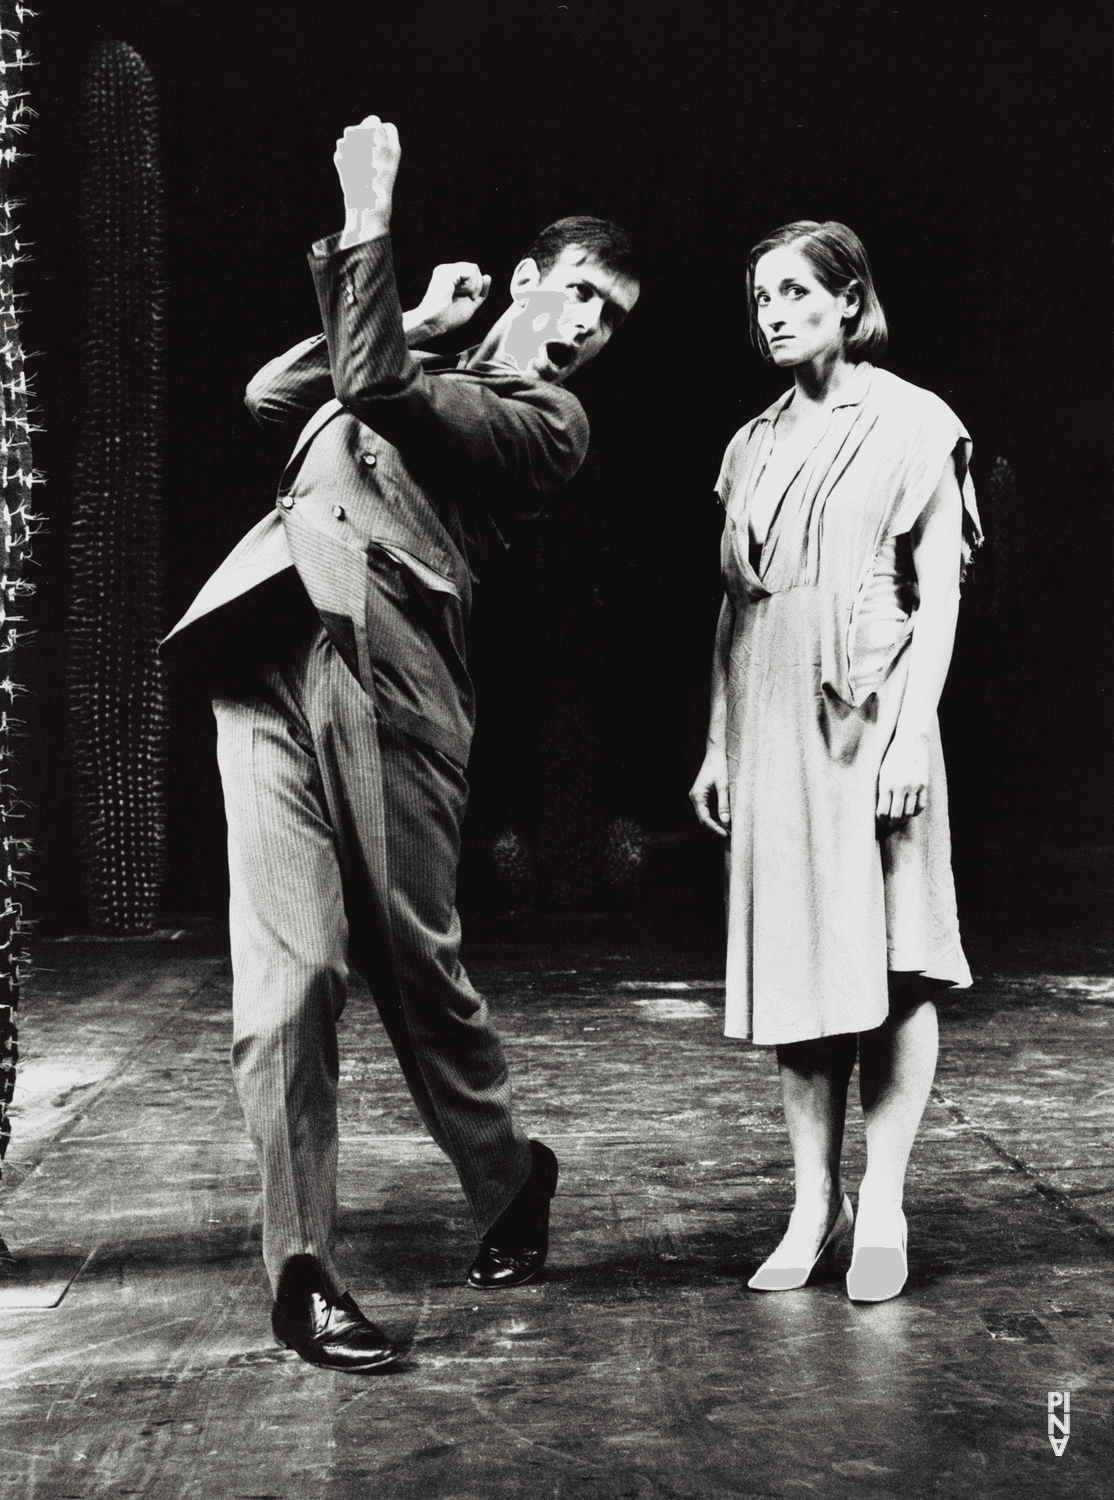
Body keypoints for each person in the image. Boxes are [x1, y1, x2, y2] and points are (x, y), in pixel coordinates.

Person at [162, 114, 640, 1372]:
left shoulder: (545, 421)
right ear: (532, 278)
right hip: (261, 660)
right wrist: (417, 313)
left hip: (394, 684)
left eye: (613, 318)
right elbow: (274, 394)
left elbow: (373, 389)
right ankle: (303, 1271)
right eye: (579, 292)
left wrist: (368, 215)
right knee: (288, 986)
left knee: (415, 971)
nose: (589, 324)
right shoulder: (417, 349)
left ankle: (507, 1175)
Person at [689, 220, 979, 1303]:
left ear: (849, 303)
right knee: (799, 970)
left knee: (896, 958)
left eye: (796, 291)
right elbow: (731, 610)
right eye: (759, 293)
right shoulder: (748, 443)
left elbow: (939, 591)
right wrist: (718, 741)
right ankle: (815, 1204)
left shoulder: (912, 421)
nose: (771, 310)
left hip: (870, 716)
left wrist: (909, 729)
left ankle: (886, 1198)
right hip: (769, 719)